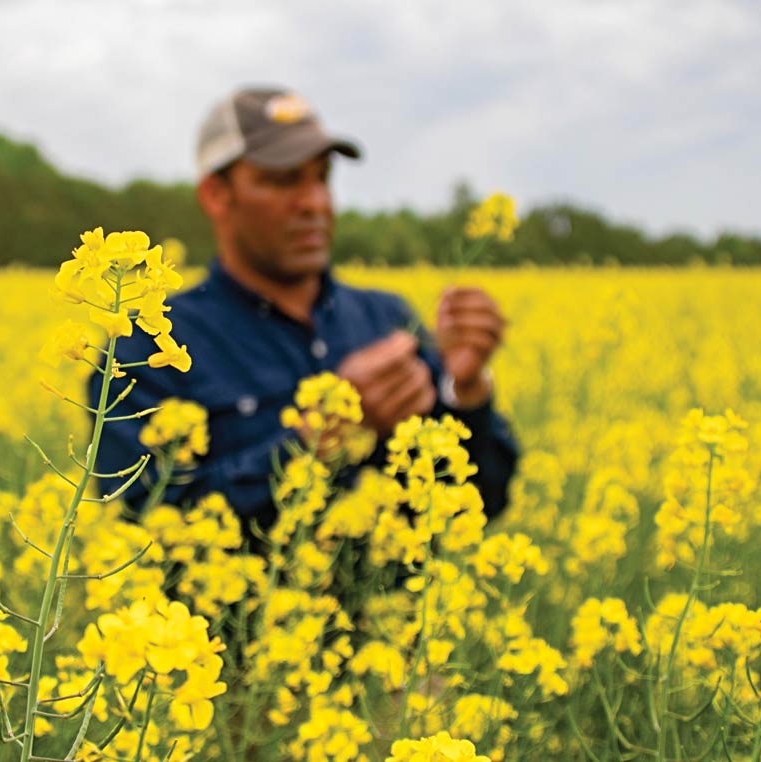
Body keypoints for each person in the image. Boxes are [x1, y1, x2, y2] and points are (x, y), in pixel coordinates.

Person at [89, 86, 518, 528]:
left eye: (322, 178)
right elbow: (140, 526)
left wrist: (464, 393)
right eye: (282, 180)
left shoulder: (388, 320)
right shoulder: (148, 345)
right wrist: (323, 434)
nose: (314, 203)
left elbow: (482, 503)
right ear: (217, 194)